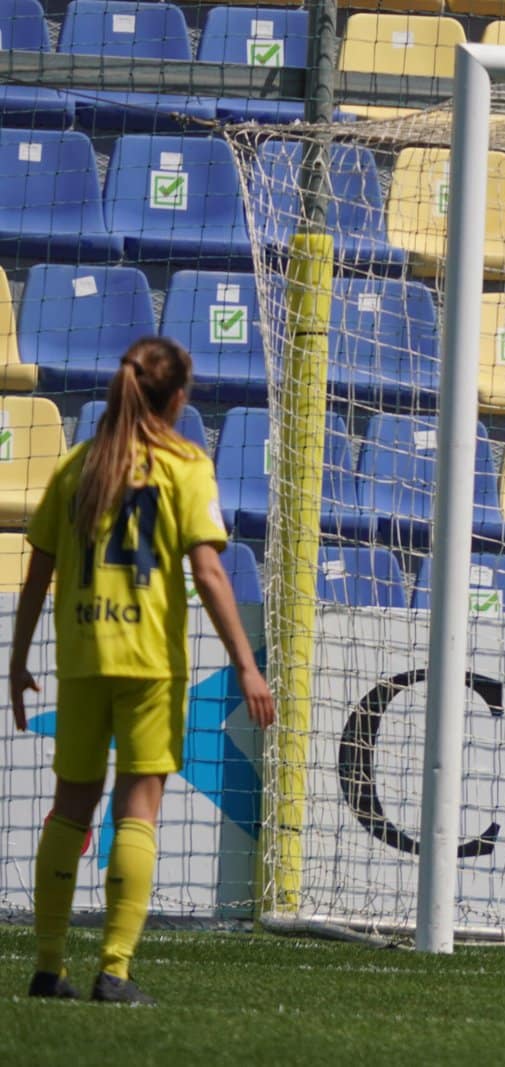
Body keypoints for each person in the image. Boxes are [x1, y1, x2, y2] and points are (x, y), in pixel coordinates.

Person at [10, 337, 275, 1004]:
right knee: (140, 806)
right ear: (178, 398)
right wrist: (248, 665)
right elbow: (210, 571)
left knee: (70, 804)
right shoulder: (185, 466)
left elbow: (38, 567)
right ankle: (115, 969)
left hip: (81, 653)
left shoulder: (78, 465)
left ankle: (47, 966)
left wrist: (16, 658)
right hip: (150, 659)